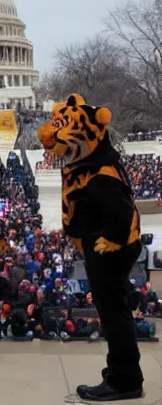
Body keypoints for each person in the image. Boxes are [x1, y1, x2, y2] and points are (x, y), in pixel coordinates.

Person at [37, 93, 144, 401]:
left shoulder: (100, 174)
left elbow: (123, 213)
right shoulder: (91, 163)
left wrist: (107, 242)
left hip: (109, 249)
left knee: (114, 315)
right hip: (104, 245)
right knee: (113, 312)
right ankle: (119, 373)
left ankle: (125, 381)